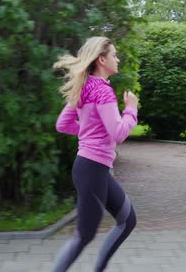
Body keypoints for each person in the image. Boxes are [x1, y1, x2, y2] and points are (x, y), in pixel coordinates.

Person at [51, 37, 139, 272]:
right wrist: (131, 109)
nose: (117, 59)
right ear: (102, 59)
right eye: (114, 55)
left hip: (92, 169)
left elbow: (63, 124)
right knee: (83, 236)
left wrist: (89, 133)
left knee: (128, 220)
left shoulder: (85, 87)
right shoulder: (102, 91)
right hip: (92, 170)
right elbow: (119, 133)